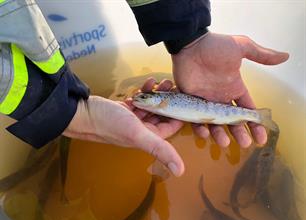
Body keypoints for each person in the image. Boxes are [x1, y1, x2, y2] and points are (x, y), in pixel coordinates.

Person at [0, 0, 288, 177]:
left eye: (146, 98)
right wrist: (70, 112)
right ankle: (255, 116)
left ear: (156, 99)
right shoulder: (158, 101)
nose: (142, 99)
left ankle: (255, 117)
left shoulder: (162, 101)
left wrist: (189, 34)